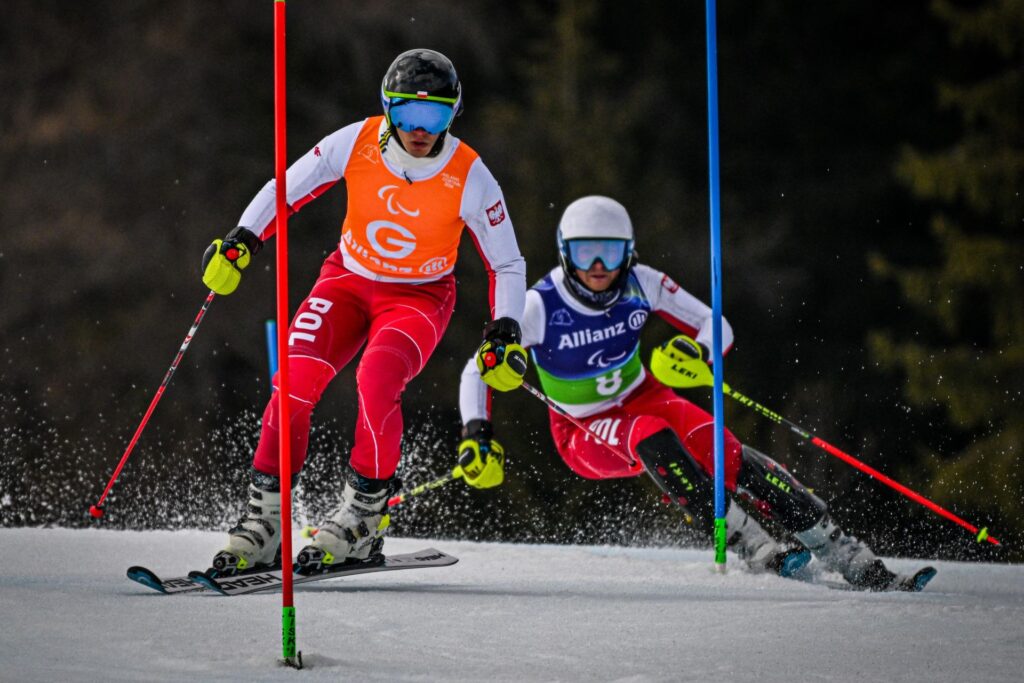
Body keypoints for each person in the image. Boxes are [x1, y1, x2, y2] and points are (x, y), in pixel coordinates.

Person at [456, 195, 936, 591]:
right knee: (651, 434)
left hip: (644, 392)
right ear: (565, 253)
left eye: (611, 252)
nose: (599, 267)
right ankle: (749, 540)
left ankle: (844, 552)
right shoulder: (540, 304)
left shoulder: (642, 283)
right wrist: (476, 430)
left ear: (630, 252)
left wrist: (698, 352)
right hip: (582, 428)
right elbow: (478, 370)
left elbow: (716, 324)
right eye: (585, 254)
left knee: (726, 449)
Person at [201, 49, 529, 575]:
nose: (420, 130)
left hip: (418, 298)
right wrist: (243, 240)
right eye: (406, 115)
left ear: (453, 115)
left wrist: (504, 331)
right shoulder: (356, 140)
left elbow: (507, 262)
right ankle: (264, 522)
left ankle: (362, 518)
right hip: (347, 282)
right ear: (387, 110)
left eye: (435, 117)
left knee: (377, 379)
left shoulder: (470, 175)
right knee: (296, 379)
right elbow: (287, 188)